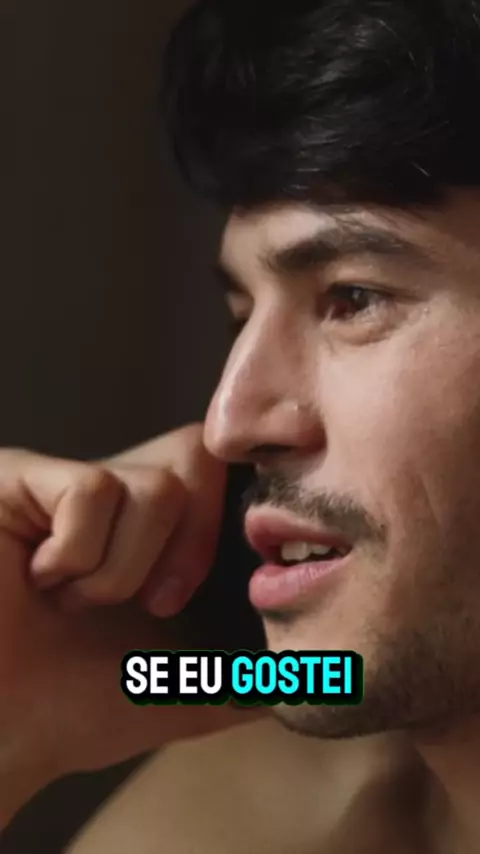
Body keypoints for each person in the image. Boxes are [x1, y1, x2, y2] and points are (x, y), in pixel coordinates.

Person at [6, 0, 480, 850]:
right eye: (240, 317)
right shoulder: (259, 811)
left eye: (353, 299)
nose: (229, 424)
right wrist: (21, 723)